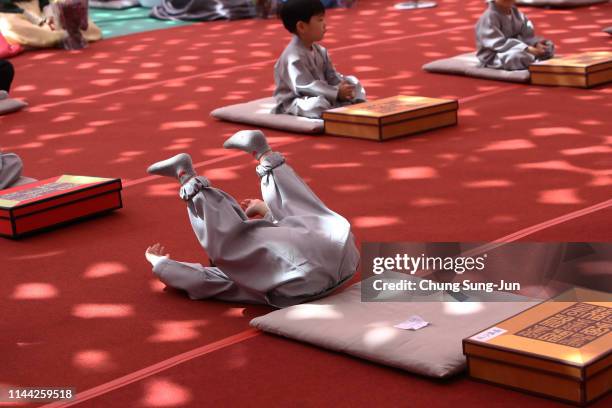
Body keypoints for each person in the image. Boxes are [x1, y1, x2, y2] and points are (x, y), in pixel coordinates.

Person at [145, 129, 359, 308]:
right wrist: (265, 210)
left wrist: (161, 264)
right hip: (339, 250)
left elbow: (202, 280)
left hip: (323, 269)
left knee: (294, 217)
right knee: (304, 214)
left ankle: (189, 175)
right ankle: (262, 155)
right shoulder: (259, 260)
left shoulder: (244, 279)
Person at [272, 0, 366, 119]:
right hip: (298, 99)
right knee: (316, 105)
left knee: (352, 82)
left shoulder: (320, 51)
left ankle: (355, 103)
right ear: (301, 26)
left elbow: (331, 76)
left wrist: (342, 86)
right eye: (320, 20)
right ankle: (338, 106)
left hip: (325, 93)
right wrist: (336, 93)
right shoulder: (293, 57)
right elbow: (306, 86)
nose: (325, 24)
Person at [475, 0, 554, 71]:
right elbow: (497, 43)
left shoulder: (517, 13)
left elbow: (527, 35)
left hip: (520, 48)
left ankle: (535, 57)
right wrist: (526, 48)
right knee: (516, 56)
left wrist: (536, 44)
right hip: (496, 54)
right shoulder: (489, 17)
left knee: (548, 45)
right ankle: (535, 58)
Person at [0, 0, 101, 49]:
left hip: (38, 6)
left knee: (70, 7)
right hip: (10, 11)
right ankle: (63, 36)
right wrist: (38, 20)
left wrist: (48, 13)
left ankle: (70, 31)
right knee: (9, 26)